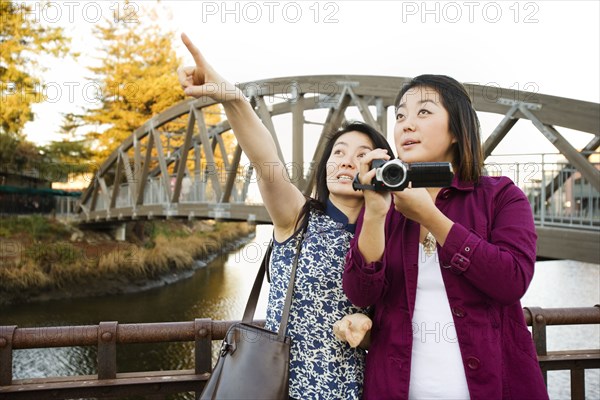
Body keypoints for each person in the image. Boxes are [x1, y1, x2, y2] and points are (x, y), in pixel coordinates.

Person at [177, 33, 394, 399]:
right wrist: (233, 98)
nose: (345, 159)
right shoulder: (298, 217)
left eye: (361, 154)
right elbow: (266, 163)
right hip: (278, 388)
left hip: (352, 390)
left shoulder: (391, 233)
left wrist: (366, 328)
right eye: (338, 151)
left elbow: (394, 322)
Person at [339, 75, 549, 399]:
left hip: (493, 388)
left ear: (456, 129)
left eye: (423, 112)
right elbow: (361, 292)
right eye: (399, 115)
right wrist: (376, 214)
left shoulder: (501, 196)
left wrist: (432, 218)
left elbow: (512, 280)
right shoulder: (384, 203)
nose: (406, 125)